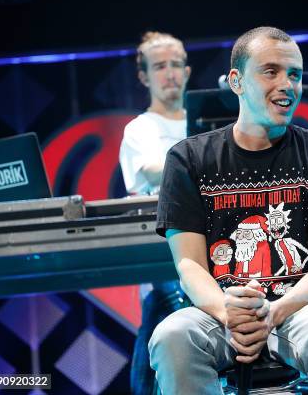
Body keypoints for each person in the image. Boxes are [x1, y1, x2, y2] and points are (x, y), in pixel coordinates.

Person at [150, 26, 308, 394]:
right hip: (219, 313)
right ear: (236, 81)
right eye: (271, 71)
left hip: (298, 312)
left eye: (294, 74)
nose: (287, 84)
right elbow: (189, 266)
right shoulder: (187, 159)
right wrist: (227, 313)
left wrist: (273, 313)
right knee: (171, 334)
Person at [118, 31, 191, 395]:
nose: (170, 73)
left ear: (188, 71)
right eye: (160, 66)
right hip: (164, 253)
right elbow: (149, 170)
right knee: (167, 314)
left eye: (176, 64)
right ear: (145, 76)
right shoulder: (140, 129)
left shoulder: (207, 123)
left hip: (217, 249)